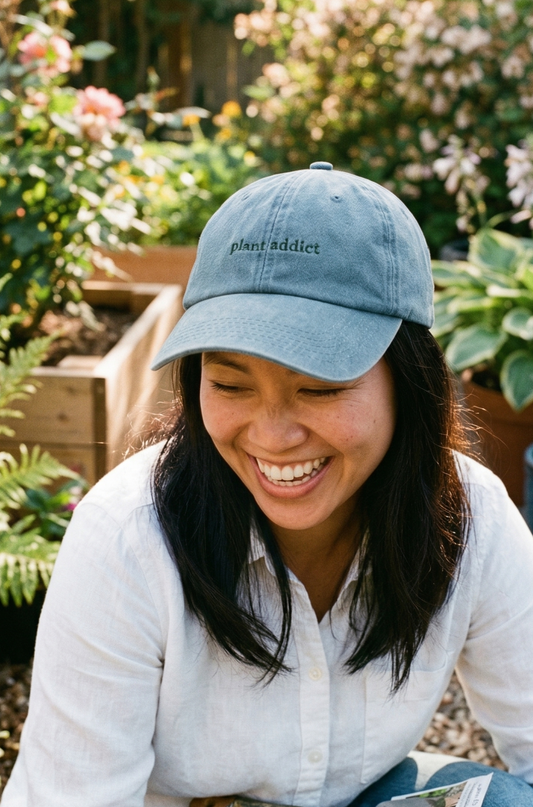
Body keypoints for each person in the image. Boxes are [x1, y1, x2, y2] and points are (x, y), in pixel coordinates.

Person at [3, 163, 533, 807]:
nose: (274, 437)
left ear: (410, 382)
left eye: (319, 387)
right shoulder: (125, 537)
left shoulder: (471, 516)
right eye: (229, 384)